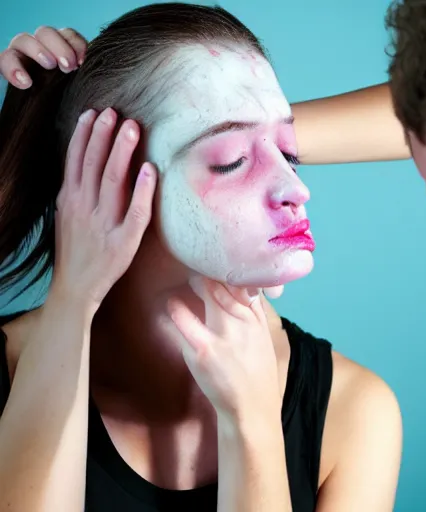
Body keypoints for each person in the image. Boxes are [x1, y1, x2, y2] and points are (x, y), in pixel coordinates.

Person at [0, 4, 402, 512]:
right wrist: (73, 300)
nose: (295, 188)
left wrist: (253, 428)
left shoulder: (355, 411)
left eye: (288, 151)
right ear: (111, 183)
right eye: (231, 160)